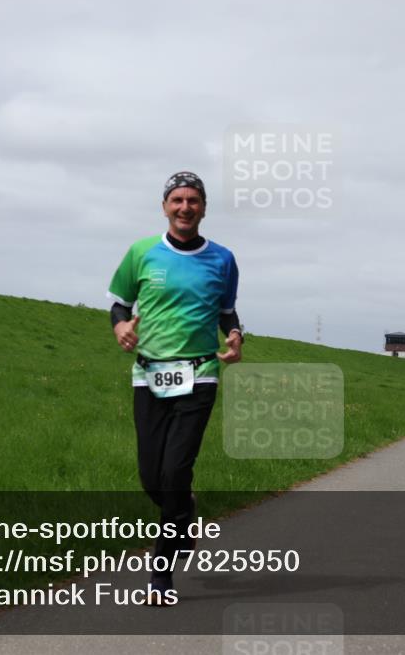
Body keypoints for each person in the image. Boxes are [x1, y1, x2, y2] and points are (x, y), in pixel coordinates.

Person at [107, 171, 244, 605]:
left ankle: (160, 575)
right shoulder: (141, 252)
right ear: (165, 205)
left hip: (199, 373)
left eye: (194, 200)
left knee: (174, 471)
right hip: (148, 375)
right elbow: (119, 305)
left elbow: (227, 312)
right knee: (152, 476)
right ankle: (184, 512)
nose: (185, 207)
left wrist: (236, 335)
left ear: (204, 207)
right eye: (177, 200)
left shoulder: (223, 259)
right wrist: (120, 328)